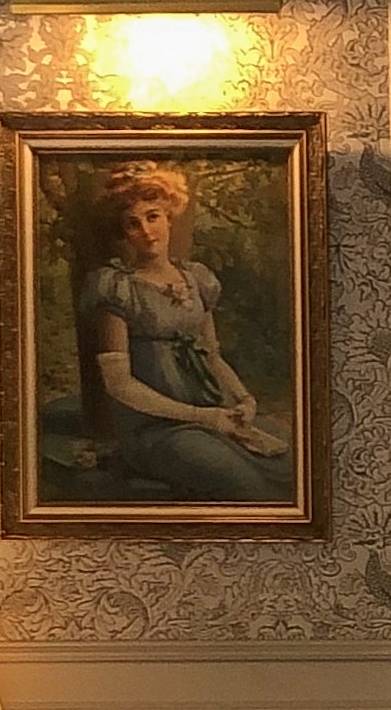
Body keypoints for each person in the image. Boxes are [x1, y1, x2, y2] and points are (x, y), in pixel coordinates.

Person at [67, 162, 293, 507]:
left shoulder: (196, 280)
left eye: (153, 216)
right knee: (242, 484)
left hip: (212, 414)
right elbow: (119, 384)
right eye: (133, 223)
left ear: (169, 217)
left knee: (289, 463)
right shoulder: (118, 289)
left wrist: (245, 400)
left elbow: (212, 357)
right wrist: (202, 417)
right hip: (154, 430)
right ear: (124, 232)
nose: (146, 230)